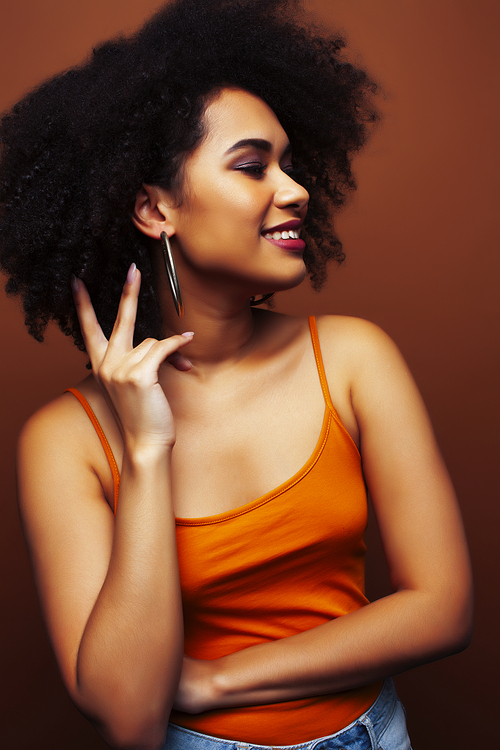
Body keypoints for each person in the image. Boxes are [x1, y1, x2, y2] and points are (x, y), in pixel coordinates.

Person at [0, 0, 472, 748]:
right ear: (155, 209)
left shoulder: (353, 358)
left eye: (290, 163)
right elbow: (129, 717)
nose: (295, 190)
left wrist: (218, 678)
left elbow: (443, 608)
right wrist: (149, 452)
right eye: (253, 166)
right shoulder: (66, 440)